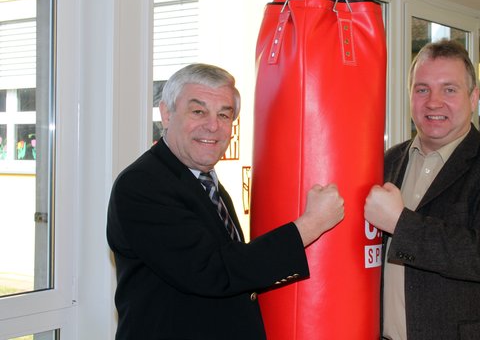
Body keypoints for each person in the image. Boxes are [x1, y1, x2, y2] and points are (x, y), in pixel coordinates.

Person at [106, 63, 344, 339]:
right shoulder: (142, 185)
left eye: (224, 114)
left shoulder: (203, 181)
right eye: (198, 111)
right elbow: (211, 270)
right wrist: (310, 225)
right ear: (167, 114)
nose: (213, 126)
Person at [364, 39, 480, 340]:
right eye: (422, 89)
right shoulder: (387, 162)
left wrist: (400, 223)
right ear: (410, 96)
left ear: (473, 98)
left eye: (449, 89)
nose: (433, 102)